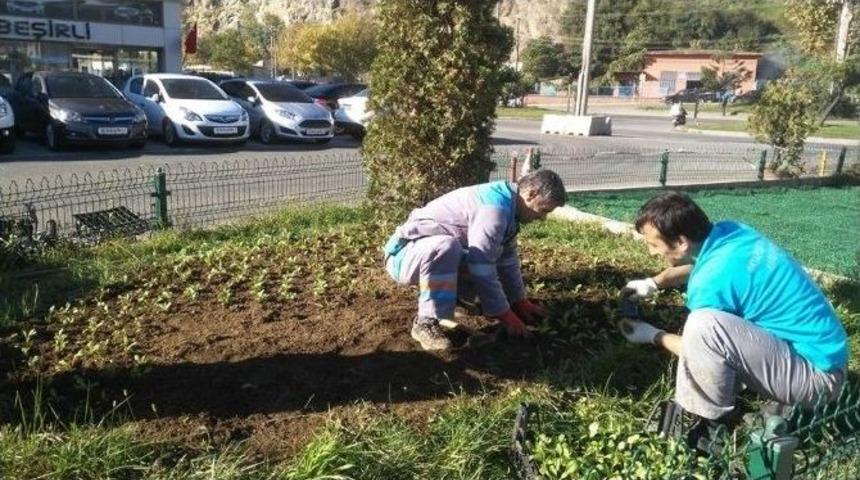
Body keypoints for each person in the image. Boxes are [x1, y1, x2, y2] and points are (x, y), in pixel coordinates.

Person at [619, 192, 847, 446]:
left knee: (704, 327)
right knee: (713, 328)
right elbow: (697, 262)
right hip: (823, 357)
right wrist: (655, 282)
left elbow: (697, 349)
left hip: (817, 382)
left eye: (654, 244)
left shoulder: (709, 285)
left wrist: (653, 335)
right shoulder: (731, 232)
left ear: (681, 241)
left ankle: (710, 429)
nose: (651, 252)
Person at [383, 170, 568, 350]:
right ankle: (425, 322)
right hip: (403, 257)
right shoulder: (494, 209)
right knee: (450, 248)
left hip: (427, 256)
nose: (543, 218)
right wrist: (505, 315)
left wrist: (519, 301)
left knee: (477, 254)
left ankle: (456, 302)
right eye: (543, 210)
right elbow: (482, 268)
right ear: (531, 194)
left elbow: (507, 260)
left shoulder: (509, 208)